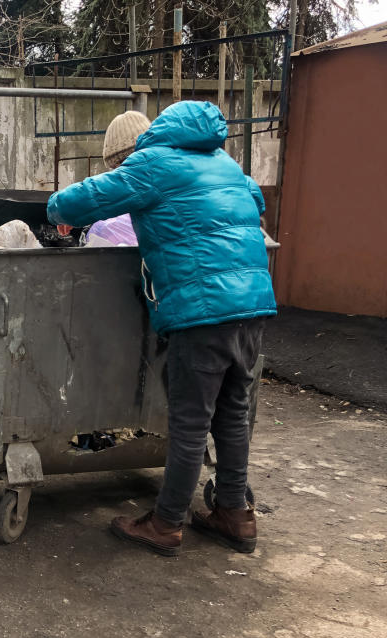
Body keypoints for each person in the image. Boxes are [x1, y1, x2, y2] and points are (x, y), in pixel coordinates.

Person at [47, 101, 276, 556]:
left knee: (190, 422)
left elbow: (77, 201)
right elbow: (256, 200)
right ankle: (234, 514)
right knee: (232, 412)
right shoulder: (222, 160)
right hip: (251, 303)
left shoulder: (150, 163)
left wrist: (56, 207)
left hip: (202, 308)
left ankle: (166, 523)